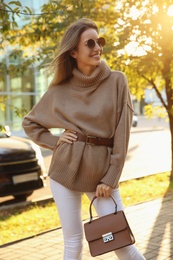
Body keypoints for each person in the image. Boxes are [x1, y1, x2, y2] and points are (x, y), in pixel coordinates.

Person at [22, 18, 146, 260]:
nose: (97, 47)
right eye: (90, 43)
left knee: (122, 242)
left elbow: (122, 135)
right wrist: (55, 141)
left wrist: (111, 177)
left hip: (102, 175)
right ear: (74, 51)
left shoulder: (117, 81)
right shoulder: (60, 90)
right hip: (65, 170)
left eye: (99, 41)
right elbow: (30, 123)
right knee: (73, 244)